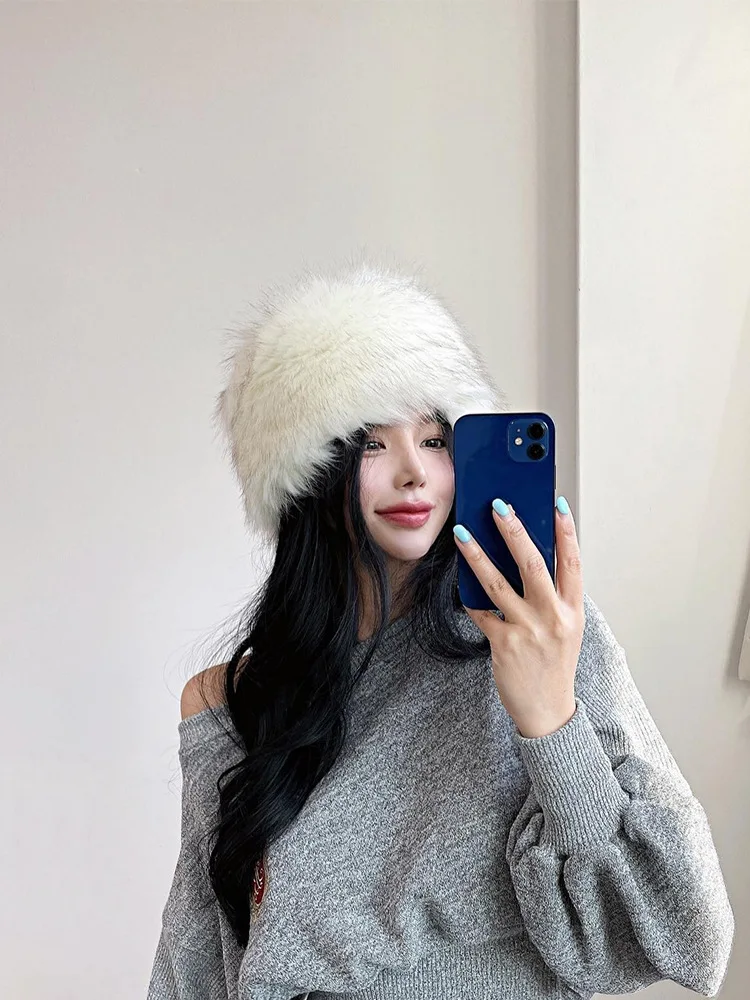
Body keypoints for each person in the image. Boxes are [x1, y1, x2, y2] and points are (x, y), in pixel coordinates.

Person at [147, 259, 734, 1000]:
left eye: (434, 439)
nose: (414, 473)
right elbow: (196, 958)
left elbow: (680, 935)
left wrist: (551, 721)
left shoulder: (540, 634)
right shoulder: (233, 701)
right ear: (306, 472)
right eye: (371, 442)